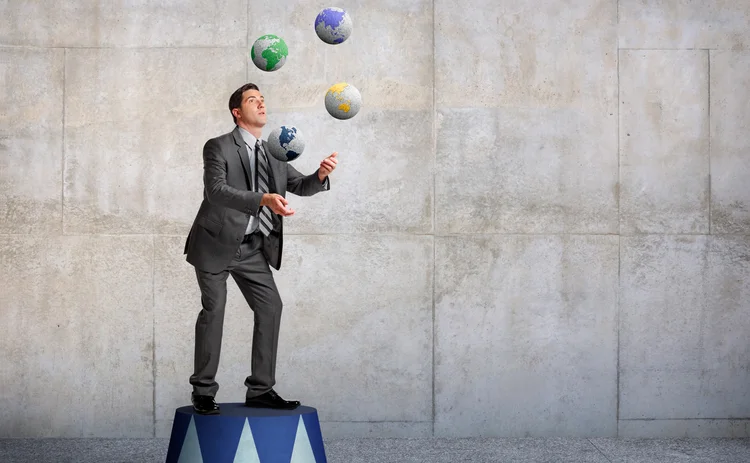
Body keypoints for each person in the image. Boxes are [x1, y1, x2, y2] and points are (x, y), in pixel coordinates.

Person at [183, 83, 338, 414]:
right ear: (237, 112)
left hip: (253, 248)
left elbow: (299, 186)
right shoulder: (219, 147)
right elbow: (217, 191)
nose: (261, 104)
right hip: (215, 244)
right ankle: (203, 391)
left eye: (263, 99)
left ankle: (260, 389)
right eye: (253, 100)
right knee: (215, 311)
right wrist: (262, 200)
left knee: (270, 308)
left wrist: (320, 175)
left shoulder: (275, 150)